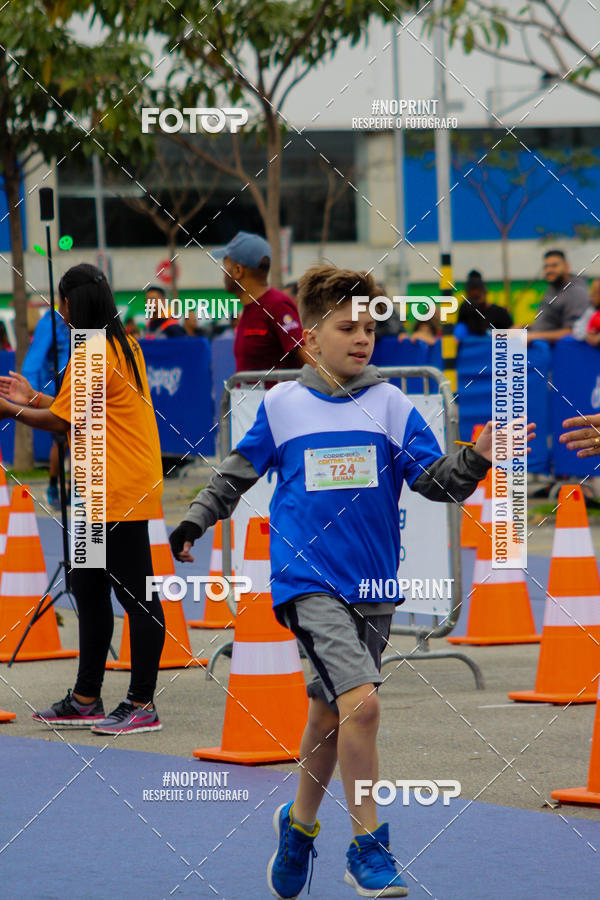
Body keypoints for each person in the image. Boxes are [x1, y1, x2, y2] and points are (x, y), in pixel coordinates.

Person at [169, 264, 533, 898]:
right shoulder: (282, 405)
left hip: (372, 590)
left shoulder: (392, 402)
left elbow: (434, 482)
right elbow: (233, 475)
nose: (363, 337)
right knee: (362, 705)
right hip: (305, 583)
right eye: (347, 326)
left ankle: (298, 826)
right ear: (310, 338)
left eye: (370, 326)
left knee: (331, 714)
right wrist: (197, 520)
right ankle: (368, 847)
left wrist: (476, 457)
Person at [0, 263, 165, 736]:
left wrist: (12, 408)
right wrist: (33, 397)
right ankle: (86, 698)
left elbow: (60, 422)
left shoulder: (98, 351)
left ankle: (141, 704)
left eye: (62, 302)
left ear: (76, 304)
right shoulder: (115, 345)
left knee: (138, 597)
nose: (60, 310)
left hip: (120, 490)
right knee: (89, 590)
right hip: (99, 487)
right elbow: (69, 408)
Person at [212, 231, 311, 372]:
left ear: (238, 270)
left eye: (225, 265)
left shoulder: (277, 306)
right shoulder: (249, 308)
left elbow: (312, 362)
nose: (223, 272)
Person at [21, 306, 70, 507]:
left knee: (81, 439)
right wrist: (31, 393)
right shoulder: (50, 323)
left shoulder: (85, 322)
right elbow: (35, 358)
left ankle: (74, 488)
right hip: (54, 392)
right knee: (61, 441)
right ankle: (53, 485)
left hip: (78, 387)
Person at [527, 250, 589, 343]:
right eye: (546, 267)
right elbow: (547, 325)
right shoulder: (552, 288)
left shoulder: (576, 292)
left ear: (567, 267)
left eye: (554, 266)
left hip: (558, 351)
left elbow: (573, 332)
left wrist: (533, 336)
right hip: (539, 344)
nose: (549, 270)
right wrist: (522, 328)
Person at [455, 270, 512, 338]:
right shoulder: (465, 310)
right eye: (472, 299)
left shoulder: (500, 313)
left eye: (477, 298)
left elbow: (512, 335)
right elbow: (458, 333)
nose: (475, 303)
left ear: (485, 292)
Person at [572, 278, 600, 344]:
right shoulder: (591, 311)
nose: (591, 297)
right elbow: (577, 328)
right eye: (591, 293)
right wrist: (588, 335)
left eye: (595, 293)